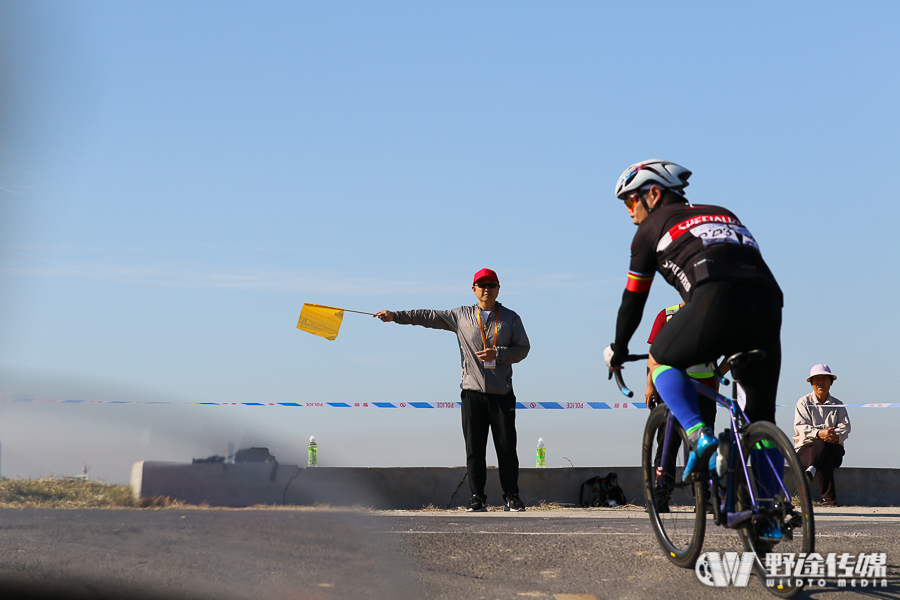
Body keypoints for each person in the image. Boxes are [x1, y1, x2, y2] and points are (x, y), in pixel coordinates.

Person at [603, 159, 784, 484]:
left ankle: (699, 435)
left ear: (653, 194)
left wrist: (619, 349)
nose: (629, 211)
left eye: (630, 200)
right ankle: (771, 514)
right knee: (761, 419)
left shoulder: (648, 230)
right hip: (769, 303)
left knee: (660, 357)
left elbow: (633, 301)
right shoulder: (723, 212)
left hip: (716, 297)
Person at [374, 268, 530, 512]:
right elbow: (428, 316)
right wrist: (396, 315)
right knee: (474, 449)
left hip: (502, 395)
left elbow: (523, 349)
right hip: (472, 393)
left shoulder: (511, 318)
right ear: (474, 289)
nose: (486, 288)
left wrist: (498, 354)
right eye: (482, 284)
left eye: (491, 284)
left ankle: (512, 496)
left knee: (507, 448)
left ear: (499, 288)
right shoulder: (461, 316)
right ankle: (477, 497)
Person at [793, 364, 850, 506]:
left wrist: (833, 435)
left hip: (834, 447)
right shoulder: (803, 402)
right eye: (817, 379)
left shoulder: (838, 404)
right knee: (824, 453)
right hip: (806, 450)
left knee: (825, 444)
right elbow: (801, 427)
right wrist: (819, 433)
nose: (820, 382)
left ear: (831, 382)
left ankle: (810, 472)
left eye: (824, 378)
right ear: (811, 383)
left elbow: (845, 427)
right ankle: (829, 498)